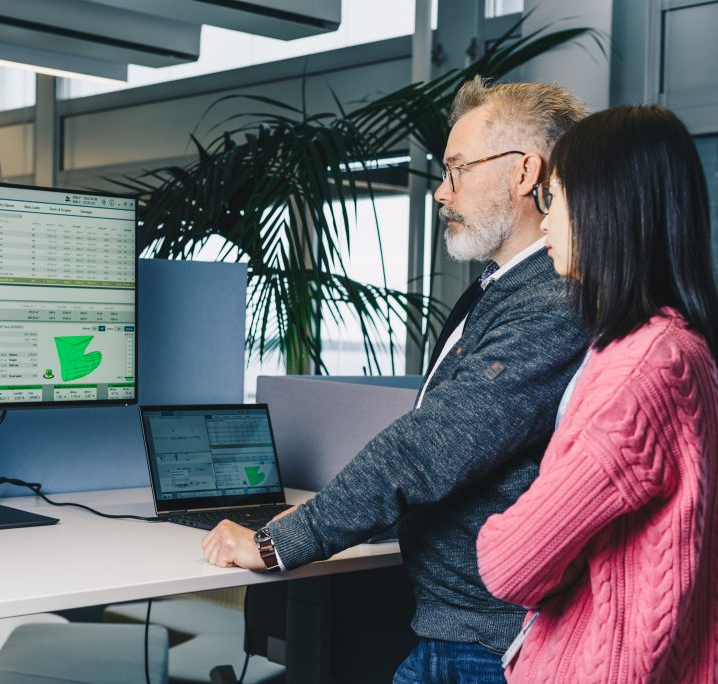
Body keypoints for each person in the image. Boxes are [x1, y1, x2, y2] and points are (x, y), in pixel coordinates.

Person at [202, 76, 590, 681]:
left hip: (493, 642)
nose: (441, 191)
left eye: (458, 169)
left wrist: (284, 539)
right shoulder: (501, 290)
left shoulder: (549, 302)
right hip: (458, 626)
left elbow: (432, 448)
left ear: (523, 174)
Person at [475, 105, 718, 682]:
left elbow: (508, 564)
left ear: (607, 208)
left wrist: (504, 529)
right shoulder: (679, 348)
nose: (544, 224)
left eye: (556, 198)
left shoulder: (640, 371)